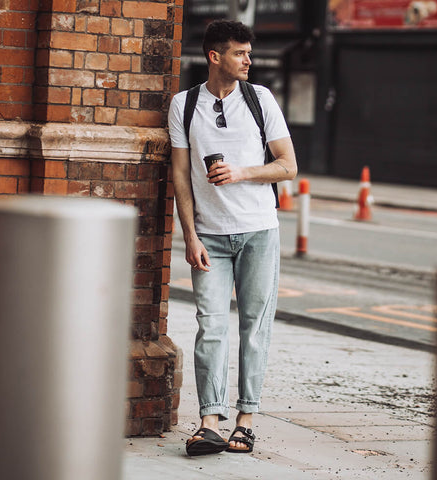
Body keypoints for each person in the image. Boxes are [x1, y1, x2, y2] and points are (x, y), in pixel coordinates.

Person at [168, 19, 297, 456]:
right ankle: (209, 422)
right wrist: (190, 235)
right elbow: (181, 177)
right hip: (210, 236)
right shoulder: (184, 105)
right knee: (210, 327)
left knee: (254, 329)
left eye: (248, 52)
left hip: (260, 230)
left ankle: (245, 420)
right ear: (214, 56)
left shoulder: (261, 99)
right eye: (240, 53)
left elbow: (287, 165)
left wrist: (242, 171)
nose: (248, 59)